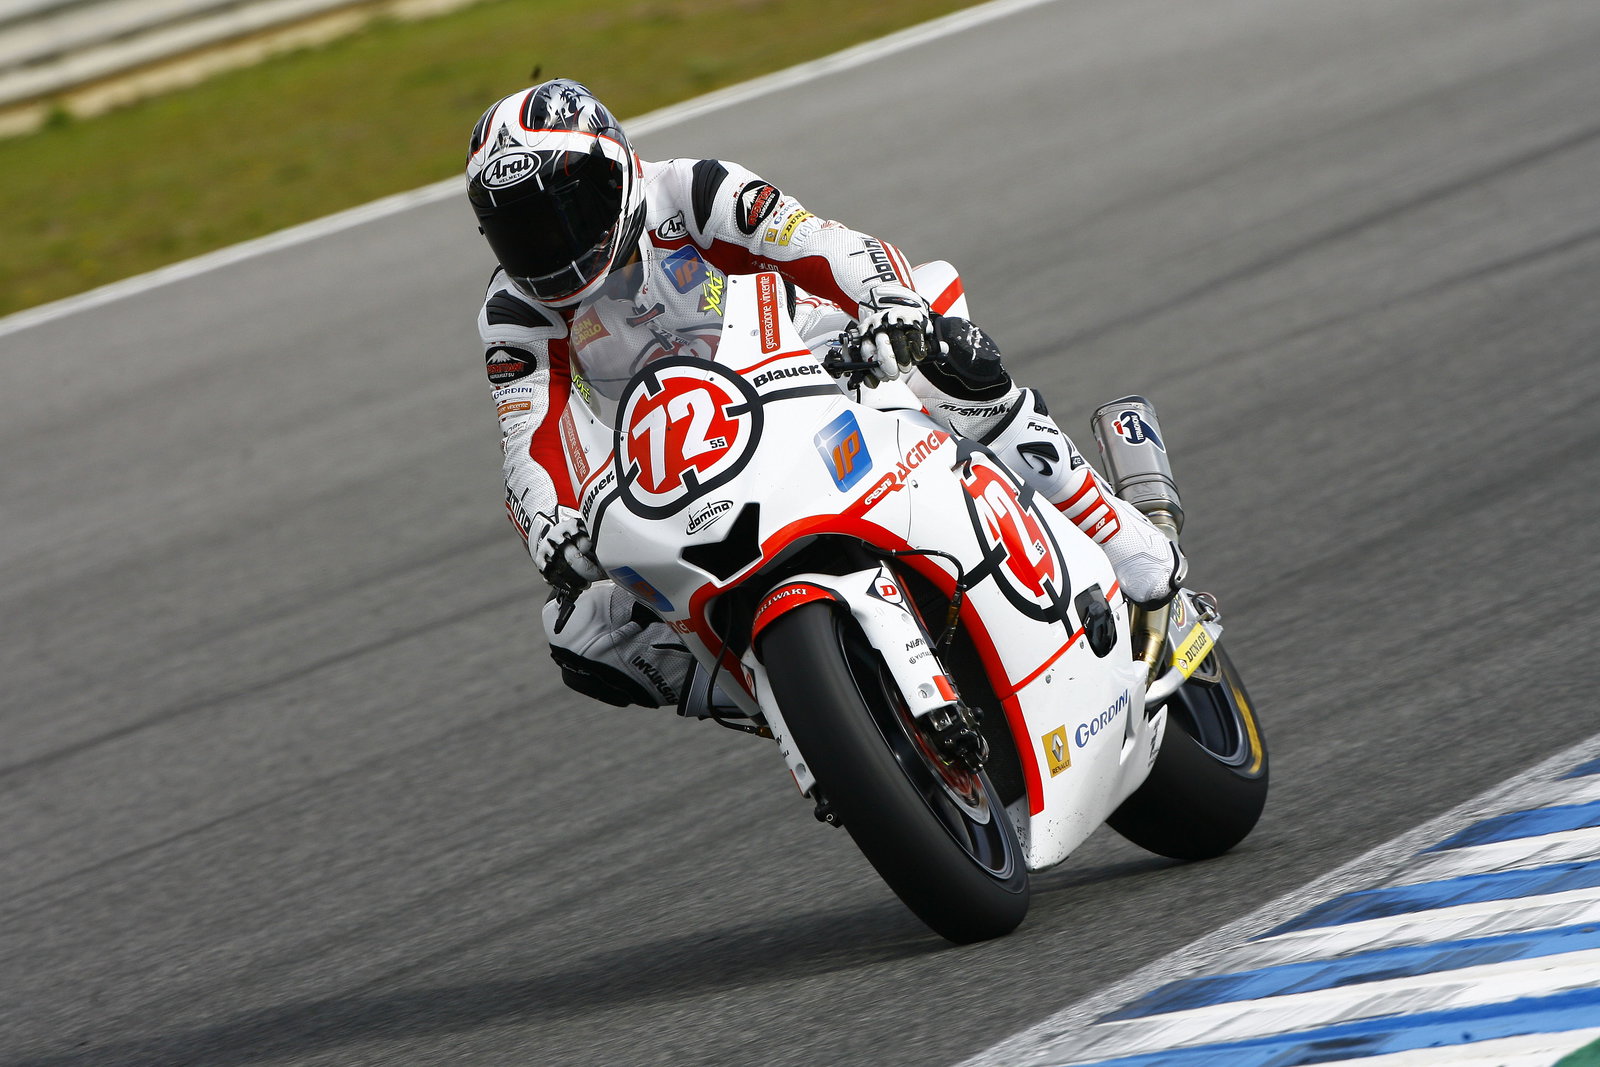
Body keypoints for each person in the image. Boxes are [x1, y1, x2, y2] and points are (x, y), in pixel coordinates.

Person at [467, 79, 1184, 709]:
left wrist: (889, 301)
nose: (554, 244)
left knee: (942, 361)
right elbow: (527, 434)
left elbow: (815, 239)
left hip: (812, 360)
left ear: (617, 165)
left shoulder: (690, 192)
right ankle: (790, 702)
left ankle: (1127, 539)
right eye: (522, 231)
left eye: (568, 209)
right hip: (681, 458)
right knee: (580, 627)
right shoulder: (516, 313)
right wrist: (548, 527)